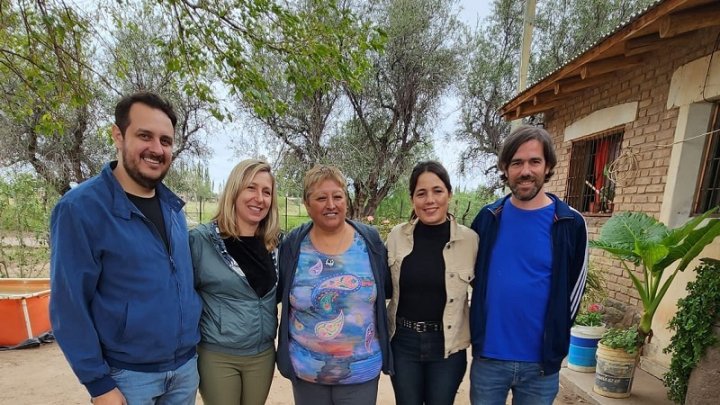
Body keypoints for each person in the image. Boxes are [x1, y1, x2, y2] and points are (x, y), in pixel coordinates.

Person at [49, 92, 202, 404]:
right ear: (118, 135)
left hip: (184, 370)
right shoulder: (81, 210)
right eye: (144, 136)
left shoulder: (174, 208)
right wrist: (98, 384)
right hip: (128, 378)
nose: (157, 149)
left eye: (166, 140)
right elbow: (68, 305)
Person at [469, 125, 588, 405]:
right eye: (517, 162)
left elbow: (574, 291)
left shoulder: (570, 223)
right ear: (505, 168)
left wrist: (555, 340)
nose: (526, 171)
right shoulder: (488, 218)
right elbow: (473, 276)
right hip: (489, 358)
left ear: (547, 167)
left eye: (534, 161)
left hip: (540, 365)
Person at [276, 164, 393, 405]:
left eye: (337, 196)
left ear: (346, 200)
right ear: (307, 205)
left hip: (360, 372)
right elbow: (280, 295)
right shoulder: (293, 245)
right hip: (308, 372)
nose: (331, 204)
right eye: (321, 198)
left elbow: (387, 290)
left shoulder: (369, 242)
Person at [189, 159, 281, 405]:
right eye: (251, 188)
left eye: (266, 192)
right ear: (234, 190)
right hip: (219, 355)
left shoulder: (274, 244)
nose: (259, 198)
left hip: (262, 354)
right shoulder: (202, 240)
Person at [386, 161, 478, 405]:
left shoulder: (470, 240)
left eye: (437, 191)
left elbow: (486, 293)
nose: (430, 200)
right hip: (403, 342)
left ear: (449, 193)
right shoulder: (396, 236)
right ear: (412, 199)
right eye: (421, 193)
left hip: (447, 347)